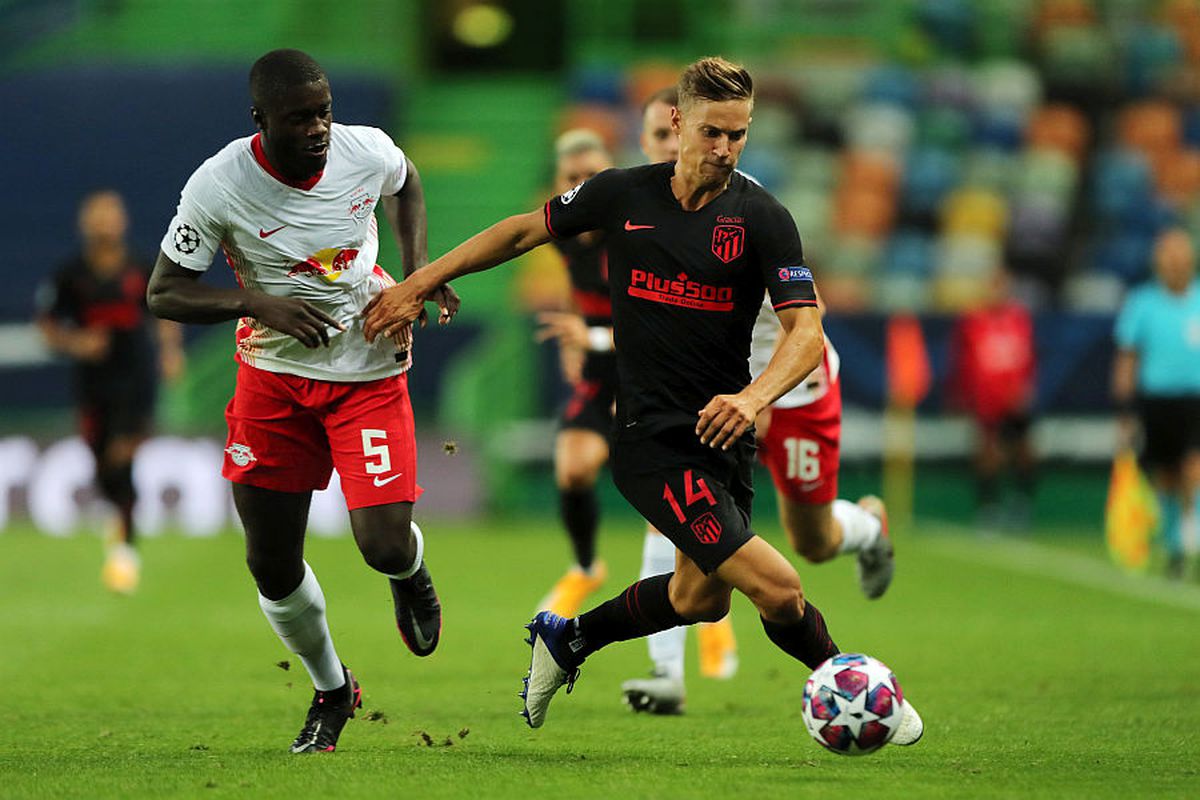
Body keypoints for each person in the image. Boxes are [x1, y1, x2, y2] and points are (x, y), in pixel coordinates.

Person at [363, 56, 921, 745]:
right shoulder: (621, 195)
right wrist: (421, 279)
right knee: (778, 588)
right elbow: (518, 232)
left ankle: (567, 640)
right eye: (713, 132)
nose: (724, 150)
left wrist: (751, 399)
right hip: (651, 440)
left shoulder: (762, 217)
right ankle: (865, 697)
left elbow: (808, 331)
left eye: (739, 135)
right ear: (678, 123)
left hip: (723, 437)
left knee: (699, 598)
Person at [146, 49, 458, 754]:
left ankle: (409, 574)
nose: (319, 128)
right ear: (261, 120)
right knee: (271, 561)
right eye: (300, 118)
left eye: (323, 110)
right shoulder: (218, 186)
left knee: (380, 546)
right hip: (272, 376)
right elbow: (164, 291)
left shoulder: (363, 149)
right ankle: (332, 689)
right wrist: (257, 302)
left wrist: (416, 278)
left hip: (368, 366)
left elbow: (406, 182)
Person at [35, 190, 185, 594]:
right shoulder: (71, 275)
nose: (104, 222)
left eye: (110, 215)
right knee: (102, 464)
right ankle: (120, 531)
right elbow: (47, 324)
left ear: (122, 222)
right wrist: (75, 342)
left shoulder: (139, 267)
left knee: (122, 459)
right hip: (92, 384)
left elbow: (164, 312)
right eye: (97, 216)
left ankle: (124, 555)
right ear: (84, 224)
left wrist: (170, 352)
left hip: (135, 381)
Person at [531, 129, 616, 618]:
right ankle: (586, 566)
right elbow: (575, 287)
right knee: (574, 468)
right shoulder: (565, 235)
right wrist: (574, 330)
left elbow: (661, 324)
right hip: (601, 371)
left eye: (593, 177)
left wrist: (593, 336)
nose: (583, 188)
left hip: (652, 374)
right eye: (572, 179)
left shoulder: (634, 237)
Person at [1113, 227, 1200, 578]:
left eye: (1181, 253)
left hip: (1196, 399)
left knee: (1194, 468)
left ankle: (1193, 533)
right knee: (1166, 475)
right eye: (1168, 254)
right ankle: (1175, 547)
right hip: (1157, 401)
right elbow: (1127, 358)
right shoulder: (1142, 303)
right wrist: (1124, 410)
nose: (1175, 261)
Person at [947, 266, 1038, 531]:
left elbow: (1027, 358)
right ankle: (989, 507)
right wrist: (962, 396)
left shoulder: (1018, 319)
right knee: (988, 455)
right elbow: (963, 361)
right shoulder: (973, 321)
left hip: (1015, 399)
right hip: (986, 401)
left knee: (1023, 452)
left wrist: (1025, 389)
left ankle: (1021, 504)